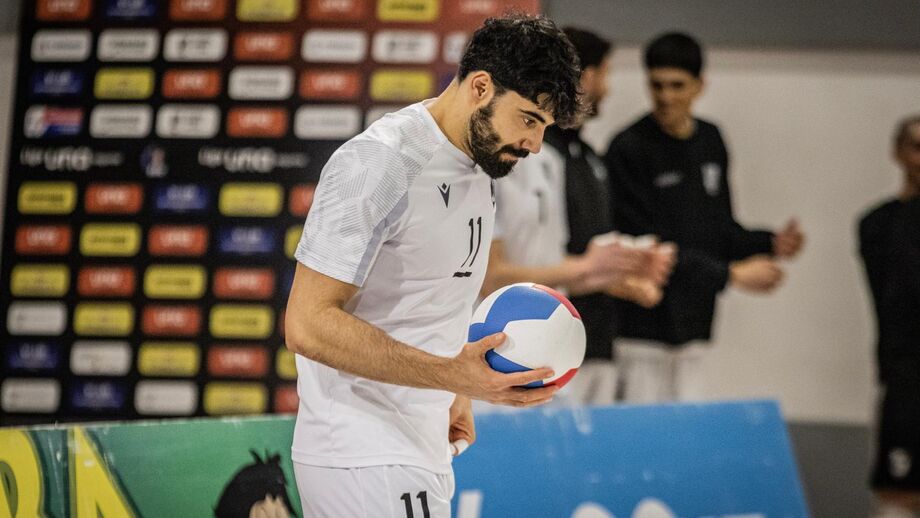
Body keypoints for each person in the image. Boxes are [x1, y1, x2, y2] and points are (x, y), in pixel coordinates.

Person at [284, 14, 585, 517]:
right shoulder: (378, 163)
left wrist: (450, 387)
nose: (535, 144)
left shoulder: (481, 165)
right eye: (529, 119)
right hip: (362, 451)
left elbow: (428, 297)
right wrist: (449, 373)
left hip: (418, 447)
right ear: (481, 86)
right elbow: (307, 324)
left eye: (544, 128)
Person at [604, 32, 805, 403]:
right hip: (642, 330)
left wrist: (767, 242)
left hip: (694, 325)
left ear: (699, 85)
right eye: (657, 85)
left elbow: (717, 228)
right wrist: (730, 275)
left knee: (685, 440)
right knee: (642, 440)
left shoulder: (710, 140)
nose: (666, 97)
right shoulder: (628, 148)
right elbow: (647, 245)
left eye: (677, 86)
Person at [481, 27, 674, 406]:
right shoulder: (493, 161)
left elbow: (562, 264)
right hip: (502, 350)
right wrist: (597, 269)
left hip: (564, 343)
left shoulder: (556, 160)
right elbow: (492, 276)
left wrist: (617, 272)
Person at [859, 114, 920, 516]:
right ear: (898, 153)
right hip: (905, 378)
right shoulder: (879, 223)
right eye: (915, 146)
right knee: (899, 494)